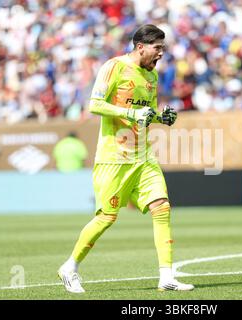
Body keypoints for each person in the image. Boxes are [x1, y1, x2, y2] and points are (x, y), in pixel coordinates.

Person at [57, 24, 194, 293]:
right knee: (107, 217)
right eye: (157, 49)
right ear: (140, 47)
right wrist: (132, 115)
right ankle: (70, 267)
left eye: (163, 49)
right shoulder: (114, 66)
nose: (161, 54)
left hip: (143, 156)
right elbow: (94, 105)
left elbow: (146, 112)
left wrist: (160, 117)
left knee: (162, 208)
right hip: (114, 157)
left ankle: (166, 276)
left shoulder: (152, 78)